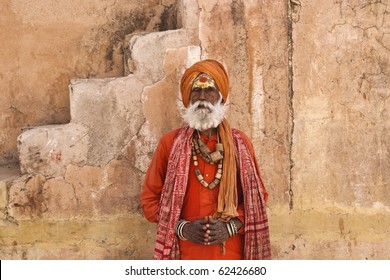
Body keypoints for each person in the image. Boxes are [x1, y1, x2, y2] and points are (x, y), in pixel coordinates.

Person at [141, 59, 271, 260]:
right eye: (196, 91)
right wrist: (183, 228)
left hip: (232, 256)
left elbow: (258, 199)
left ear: (220, 97)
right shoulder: (169, 143)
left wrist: (231, 226)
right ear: (187, 98)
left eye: (209, 90)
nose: (202, 97)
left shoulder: (240, 144)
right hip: (185, 255)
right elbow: (149, 201)